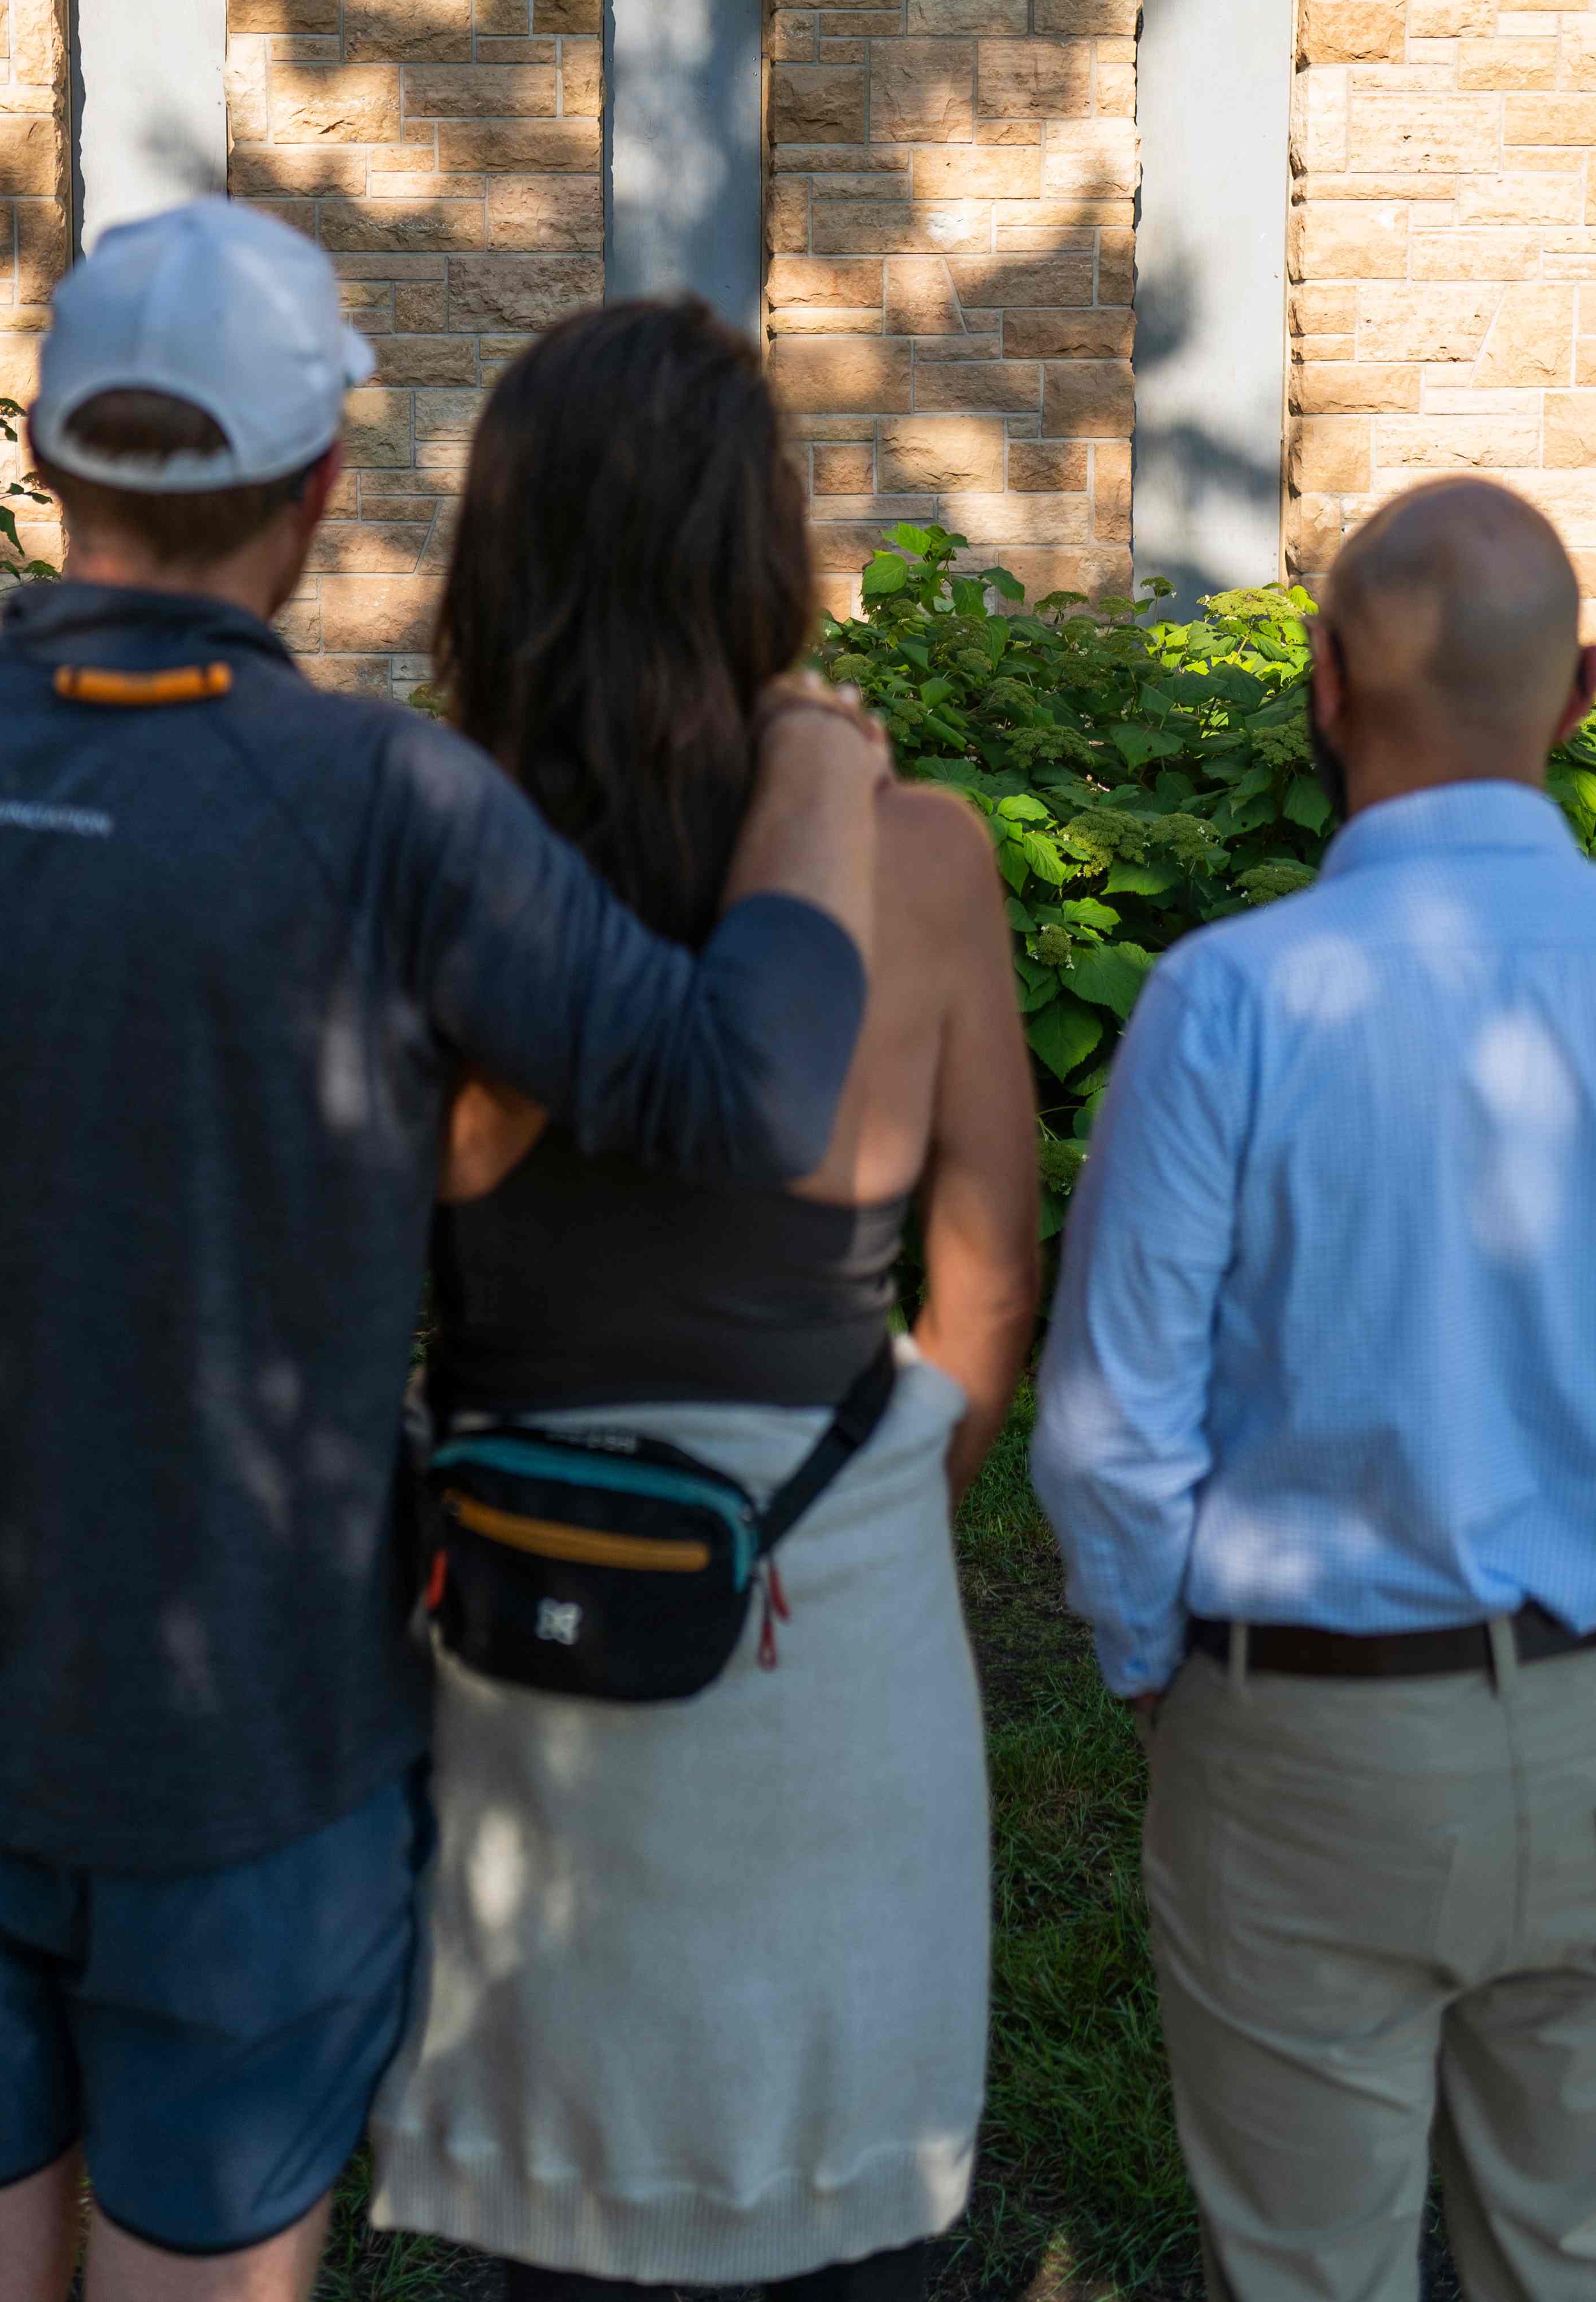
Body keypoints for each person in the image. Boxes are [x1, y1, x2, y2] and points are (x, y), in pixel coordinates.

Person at [0, 202, 896, 2302]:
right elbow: (745, 1091)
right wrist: (823, 773)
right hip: (253, 1752)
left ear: (48, 462)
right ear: (314, 487)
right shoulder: (389, 809)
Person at [1027, 474, 1596, 2302]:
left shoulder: (1222, 1001)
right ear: (1580, 695)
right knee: (1574, 2254)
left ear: (1324, 683)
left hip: (1300, 1732)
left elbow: (1107, 1430)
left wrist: (1157, 1668)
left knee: (1305, 2272)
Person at [363, 299, 1043, 2302]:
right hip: (816, 1607)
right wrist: (865, 1500)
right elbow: (989, 1271)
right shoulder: (920, 858)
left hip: (516, 1598)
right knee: (847, 2206)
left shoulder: (418, 860)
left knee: (563, 2225)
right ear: (768, 553)